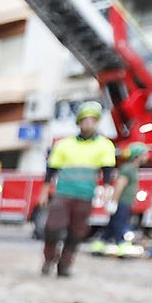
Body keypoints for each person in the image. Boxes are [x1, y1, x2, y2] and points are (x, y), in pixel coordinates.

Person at [41, 101, 116, 277]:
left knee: (76, 233)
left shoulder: (105, 145)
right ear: (78, 122)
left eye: (92, 120)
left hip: (85, 195)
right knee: (52, 228)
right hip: (63, 193)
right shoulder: (64, 144)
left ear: (97, 122)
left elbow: (107, 170)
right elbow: (51, 169)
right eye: (84, 119)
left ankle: (65, 266)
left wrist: (106, 191)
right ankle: (49, 259)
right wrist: (44, 191)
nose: (88, 123)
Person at [90, 142, 147, 256]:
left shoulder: (132, 169)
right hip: (122, 202)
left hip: (125, 202)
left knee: (111, 227)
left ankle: (99, 246)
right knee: (120, 225)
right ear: (137, 156)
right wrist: (114, 202)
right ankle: (123, 247)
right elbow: (120, 185)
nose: (146, 157)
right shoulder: (128, 169)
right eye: (144, 154)